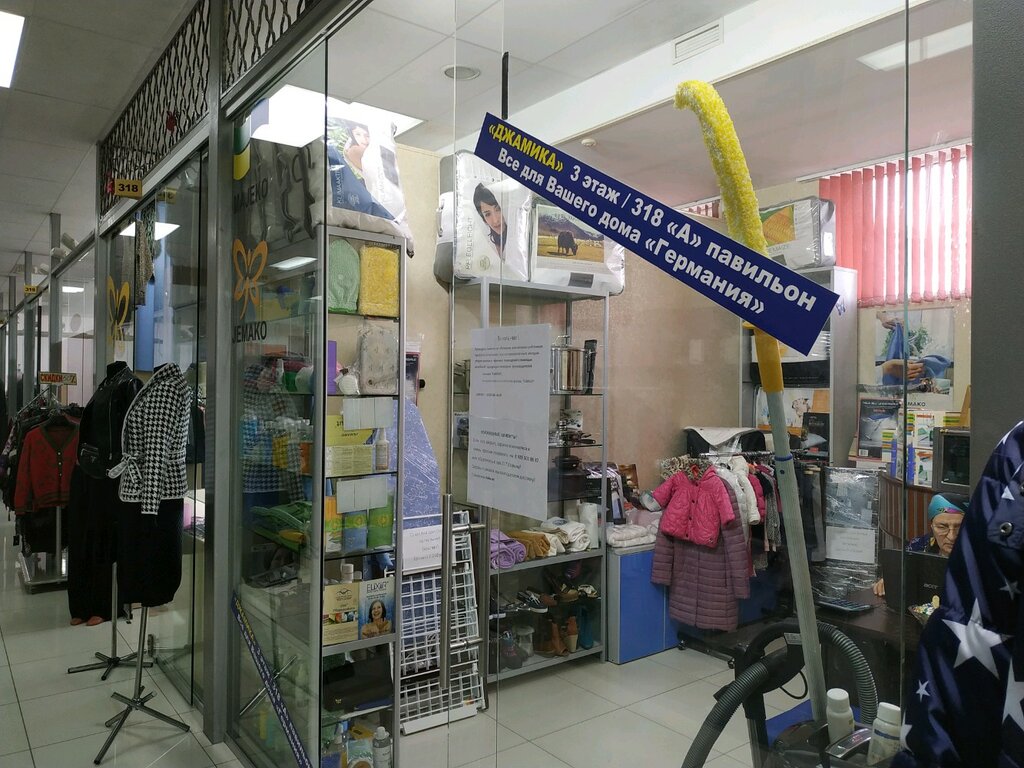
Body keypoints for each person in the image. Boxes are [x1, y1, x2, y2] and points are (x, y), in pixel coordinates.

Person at [873, 492, 969, 596]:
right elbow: (899, 573)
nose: (951, 536)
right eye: (942, 527)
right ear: (932, 526)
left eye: (959, 528)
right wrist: (888, 581)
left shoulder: (979, 554)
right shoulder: (918, 546)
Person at [473, 183, 507, 258]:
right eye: (488, 214)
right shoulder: (487, 245)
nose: (495, 220)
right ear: (483, 219)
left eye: (498, 209)